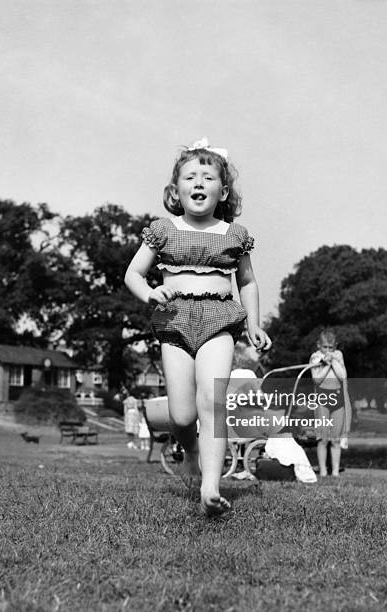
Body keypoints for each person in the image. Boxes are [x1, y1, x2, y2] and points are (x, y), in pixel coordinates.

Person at [125, 138, 271, 515]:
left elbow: (248, 282)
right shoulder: (163, 230)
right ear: (176, 190)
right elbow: (133, 274)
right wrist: (150, 293)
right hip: (174, 322)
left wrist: (254, 323)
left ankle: (210, 485)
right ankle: (189, 450)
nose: (199, 183)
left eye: (209, 177)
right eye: (190, 177)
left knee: (213, 400)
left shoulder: (234, 235)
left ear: (223, 191)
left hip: (219, 321)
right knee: (182, 415)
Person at [309, 329, 351, 478]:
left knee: (335, 439)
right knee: (323, 439)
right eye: (324, 347)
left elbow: (342, 375)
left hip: (337, 400)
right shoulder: (315, 357)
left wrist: (332, 360)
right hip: (322, 400)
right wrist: (325, 364)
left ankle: (335, 472)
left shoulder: (338, 355)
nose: (327, 350)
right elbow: (317, 379)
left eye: (330, 347)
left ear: (335, 346)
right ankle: (323, 471)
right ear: (319, 345)